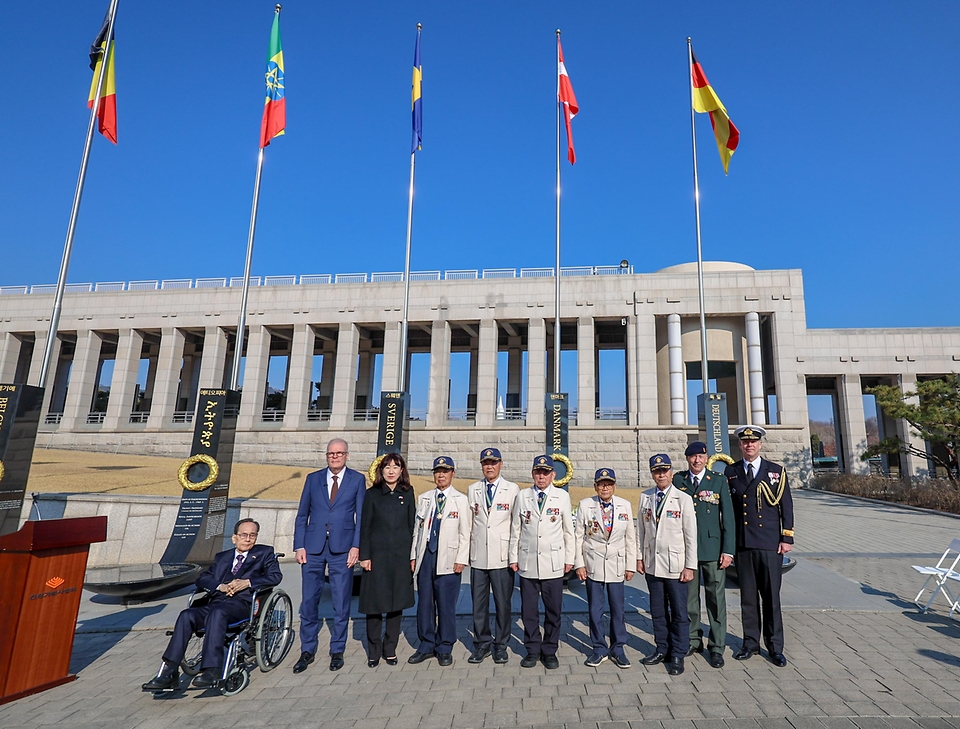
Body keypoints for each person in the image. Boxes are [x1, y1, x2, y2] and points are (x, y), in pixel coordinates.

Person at [141, 518, 282, 691]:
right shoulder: (223, 557)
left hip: (243, 605)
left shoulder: (264, 553)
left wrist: (247, 582)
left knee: (218, 613)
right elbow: (202, 579)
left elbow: (275, 576)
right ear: (234, 537)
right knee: (187, 615)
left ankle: (212, 669)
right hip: (217, 600)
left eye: (252, 535)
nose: (248, 539)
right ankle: (169, 671)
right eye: (244, 534)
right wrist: (220, 586)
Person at [293, 437, 366, 673]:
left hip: (342, 548)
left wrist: (356, 547)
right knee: (309, 601)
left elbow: (361, 518)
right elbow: (302, 515)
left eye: (339, 453)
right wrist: (299, 545)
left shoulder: (357, 479)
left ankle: (337, 649)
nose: (334, 457)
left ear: (346, 455)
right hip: (312, 547)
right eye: (330, 454)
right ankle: (308, 649)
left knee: (341, 600)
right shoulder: (313, 479)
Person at [725, 425, 794, 667]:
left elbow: (786, 506)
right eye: (745, 443)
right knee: (748, 599)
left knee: (771, 598)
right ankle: (750, 643)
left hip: (769, 545)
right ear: (740, 446)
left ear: (760, 444)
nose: (749, 445)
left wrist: (787, 538)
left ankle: (775, 647)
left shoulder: (775, 471)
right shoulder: (731, 472)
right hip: (743, 545)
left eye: (753, 442)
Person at [509, 455, 575, 670]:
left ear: (553, 475)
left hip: (553, 563)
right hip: (528, 562)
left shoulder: (561, 496)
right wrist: (513, 557)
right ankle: (532, 649)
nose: (541, 476)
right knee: (528, 611)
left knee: (553, 610)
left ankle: (549, 650)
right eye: (538, 472)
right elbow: (516, 529)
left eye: (545, 472)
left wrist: (569, 559)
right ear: (532, 474)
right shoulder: (523, 495)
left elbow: (568, 531)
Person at [673, 441, 735, 669]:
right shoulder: (678, 481)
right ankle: (693, 639)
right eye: (692, 457)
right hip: (686, 552)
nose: (696, 460)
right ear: (687, 459)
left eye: (700, 456)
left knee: (715, 600)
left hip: (713, 550)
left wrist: (728, 550)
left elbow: (728, 518)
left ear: (706, 457)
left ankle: (717, 647)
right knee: (690, 600)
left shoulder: (718, 482)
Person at [636, 454, 697, 676]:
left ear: (671, 472)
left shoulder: (683, 499)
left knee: (680, 612)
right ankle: (662, 648)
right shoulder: (645, 497)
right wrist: (639, 557)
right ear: (652, 474)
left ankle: (678, 653)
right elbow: (640, 531)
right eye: (656, 471)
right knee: (658, 611)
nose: (661, 475)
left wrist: (690, 566)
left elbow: (691, 535)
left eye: (664, 470)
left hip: (676, 565)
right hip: (653, 564)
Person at [408, 456, 471, 666]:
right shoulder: (425, 498)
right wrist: (414, 556)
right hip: (426, 556)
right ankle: (426, 644)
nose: (441, 475)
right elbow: (417, 531)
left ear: (452, 473)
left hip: (449, 558)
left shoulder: (460, 500)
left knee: (445, 605)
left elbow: (465, 533)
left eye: (445, 471)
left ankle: (445, 646)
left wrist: (461, 558)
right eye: (437, 471)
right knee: (424, 603)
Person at [574, 468, 638, 668]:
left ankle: (618, 648)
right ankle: (599, 648)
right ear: (595, 486)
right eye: (601, 484)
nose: (605, 487)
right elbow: (578, 537)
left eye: (609, 484)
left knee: (618, 609)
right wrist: (579, 564)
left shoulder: (625, 505)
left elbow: (630, 538)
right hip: (593, 564)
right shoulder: (586, 505)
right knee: (595, 609)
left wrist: (631, 565)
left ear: (614, 486)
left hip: (617, 564)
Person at [358, 452, 416, 667]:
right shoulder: (372, 494)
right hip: (376, 558)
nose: (391, 471)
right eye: (387, 467)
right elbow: (365, 527)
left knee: (395, 604)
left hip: (400, 558)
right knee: (374, 605)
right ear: (381, 471)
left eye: (396, 467)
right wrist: (365, 556)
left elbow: (412, 527)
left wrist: (413, 556)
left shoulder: (408, 493)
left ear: (402, 471)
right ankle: (373, 650)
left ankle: (389, 648)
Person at [466, 447, 520, 665]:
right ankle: (482, 643)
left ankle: (501, 644)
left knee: (502, 603)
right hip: (479, 554)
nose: (490, 466)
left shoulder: (513, 489)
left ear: (501, 464)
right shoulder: (473, 489)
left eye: (494, 462)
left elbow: (516, 525)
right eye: (486, 463)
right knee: (478, 603)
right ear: (481, 466)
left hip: (502, 555)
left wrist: (514, 555)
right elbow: (470, 523)